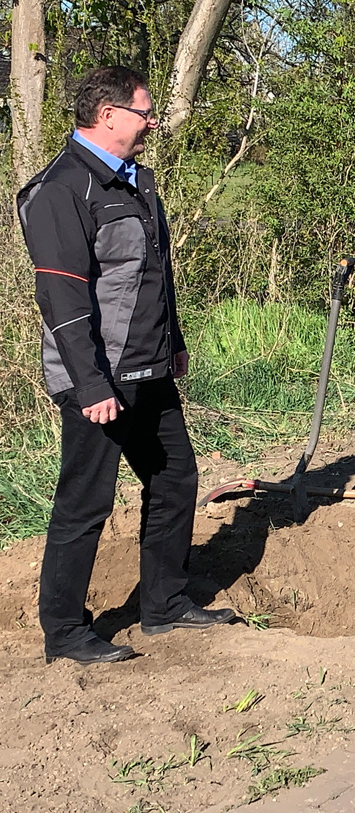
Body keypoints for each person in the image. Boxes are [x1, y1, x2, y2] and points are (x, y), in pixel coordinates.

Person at [17, 66, 235, 665]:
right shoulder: (61, 189)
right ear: (108, 115)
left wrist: (175, 343)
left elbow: (153, 276)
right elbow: (61, 298)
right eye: (145, 111)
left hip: (149, 369)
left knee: (174, 480)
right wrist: (90, 384)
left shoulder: (136, 182)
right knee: (85, 503)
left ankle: (163, 605)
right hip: (99, 380)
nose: (152, 122)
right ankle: (64, 633)